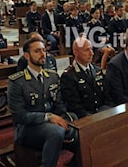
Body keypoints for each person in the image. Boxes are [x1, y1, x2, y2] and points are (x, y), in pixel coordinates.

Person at [7, 37, 77, 167]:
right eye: (37, 51)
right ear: (27, 56)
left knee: (77, 124)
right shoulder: (17, 82)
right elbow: (20, 116)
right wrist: (48, 117)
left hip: (51, 123)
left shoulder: (52, 76)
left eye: (44, 50)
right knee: (56, 132)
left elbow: (59, 104)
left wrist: (66, 119)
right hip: (27, 129)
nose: (42, 54)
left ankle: (76, 163)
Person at [60, 37, 114, 118]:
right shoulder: (69, 76)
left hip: (103, 111)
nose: (91, 53)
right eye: (86, 50)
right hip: (85, 116)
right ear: (76, 52)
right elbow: (74, 105)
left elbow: (107, 95)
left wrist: (109, 109)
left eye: (91, 49)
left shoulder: (97, 70)